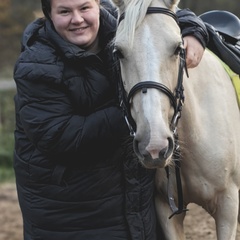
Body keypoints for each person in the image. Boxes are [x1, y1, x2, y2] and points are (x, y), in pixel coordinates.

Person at [13, 0, 208, 239]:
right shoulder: (36, 66)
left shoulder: (122, 26)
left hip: (131, 207)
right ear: (49, 15)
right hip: (69, 215)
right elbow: (60, 136)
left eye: (84, 8)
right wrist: (138, 112)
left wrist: (193, 31)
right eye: (64, 11)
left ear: (99, 6)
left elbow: (159, 13)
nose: (77, 19)